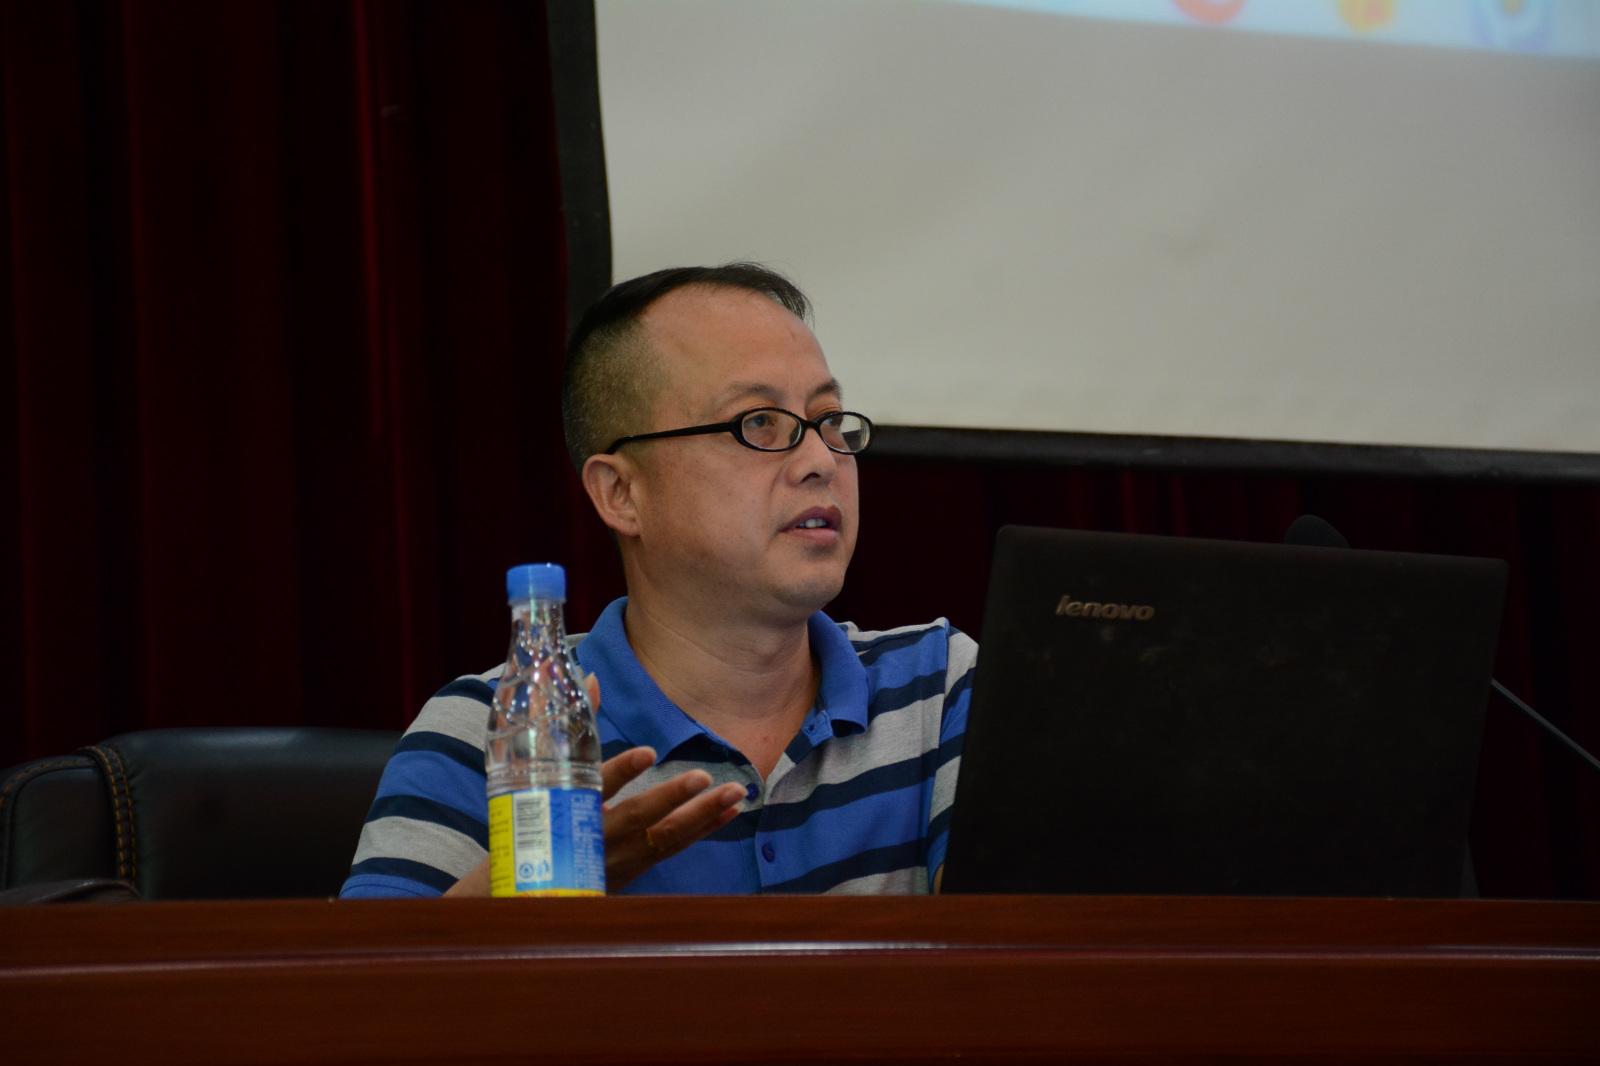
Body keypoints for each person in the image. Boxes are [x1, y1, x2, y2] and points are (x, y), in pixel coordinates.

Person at [340, 263, 976, 897]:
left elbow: (1016, 940)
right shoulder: (496, 733)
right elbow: (371, 968)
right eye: (758, 422)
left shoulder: (936, 690)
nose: (820, 461)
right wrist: (528, 893)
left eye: (829, 419)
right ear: (621, 493)